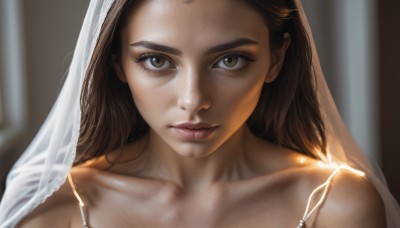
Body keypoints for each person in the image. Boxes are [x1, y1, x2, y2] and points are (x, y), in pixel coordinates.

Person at [0, 0, 399, 227]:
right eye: (157, 59)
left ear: (276, 59)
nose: (193, 100)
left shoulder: (337, 206)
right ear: (117, 63)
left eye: (229, 60)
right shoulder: (53, 209)